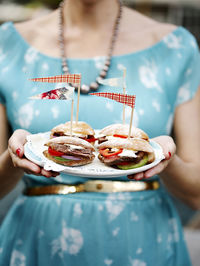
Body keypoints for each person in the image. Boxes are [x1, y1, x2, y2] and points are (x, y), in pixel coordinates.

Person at [0, 0, 200, 265]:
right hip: (39, 238)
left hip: (142, 239)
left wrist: (163, 158)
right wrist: (17, 158)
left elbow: (196, 194)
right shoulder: (6, 45)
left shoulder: (177, 47)